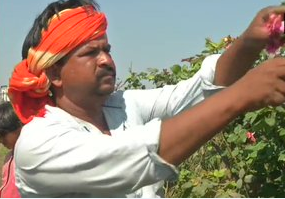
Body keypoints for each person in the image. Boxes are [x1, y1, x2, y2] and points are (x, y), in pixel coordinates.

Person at [7, 0, 285, 197]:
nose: (106, 60)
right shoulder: (39, 143)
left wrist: (250, 41)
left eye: (107, 49)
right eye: (91, 53)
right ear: (55, 73)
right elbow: (137, 160)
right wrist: (243, 94)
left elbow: (198, 90)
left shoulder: (123, 106)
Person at [0, 101, 22, 198]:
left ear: (19, 127)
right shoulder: (9, 157)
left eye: (3, 134)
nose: (1, 140)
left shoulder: (29, 157)